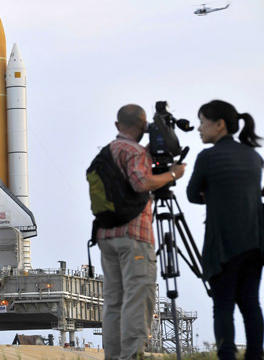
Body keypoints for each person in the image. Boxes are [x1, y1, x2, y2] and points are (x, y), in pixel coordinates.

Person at [97, 104, 186, 360]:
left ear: (117, 125)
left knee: (114, 302)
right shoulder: (135, 152)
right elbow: (141, 182)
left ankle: (114, 357)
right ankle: (132, 356)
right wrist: (171, 174)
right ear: (143, 126)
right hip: (134, 236)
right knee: (137, 297)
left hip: (107, 236)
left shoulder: (109, 151)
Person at [186, 100, 264, 360]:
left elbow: (191, 195)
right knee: (251, 304)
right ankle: (255, 355)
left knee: (223, 307)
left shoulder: (207, 157)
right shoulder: (254, 157)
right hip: (255, 242)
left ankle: (227, 356)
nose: (199, 129)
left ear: (219, 125)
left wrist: (213, 195)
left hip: (223, 245)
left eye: (202, 122)